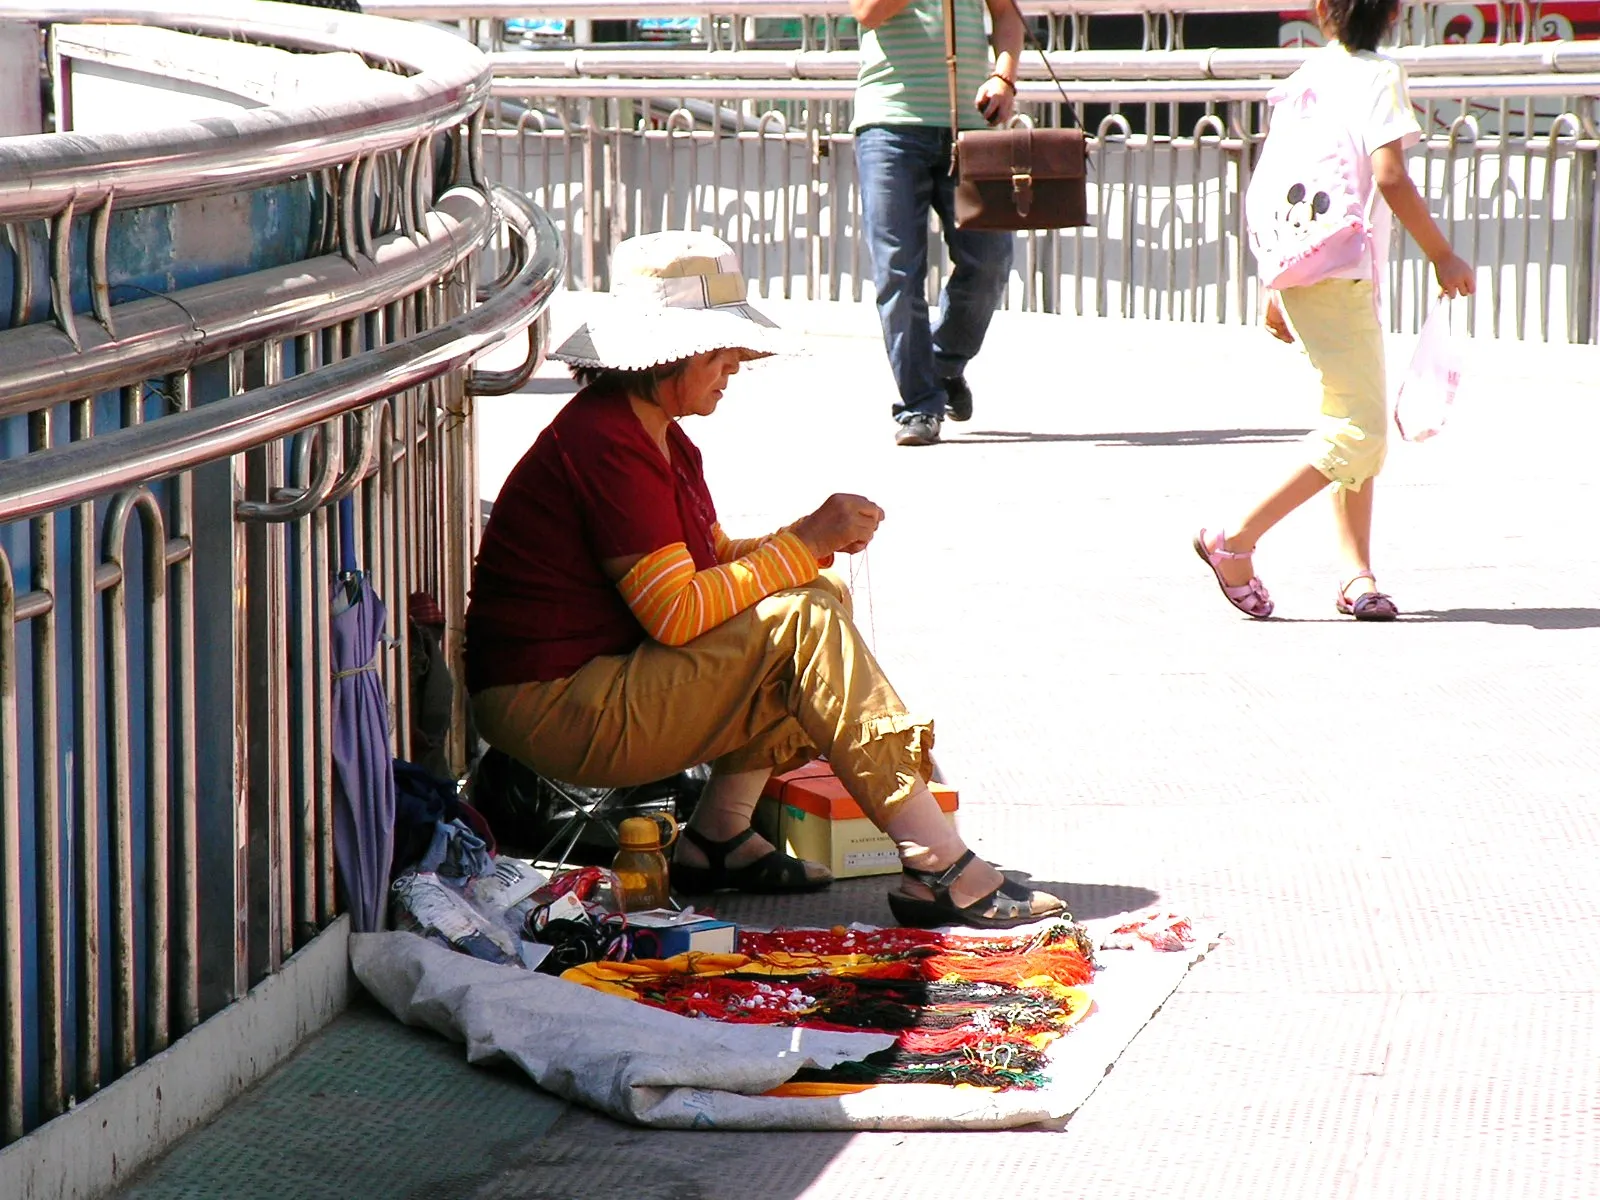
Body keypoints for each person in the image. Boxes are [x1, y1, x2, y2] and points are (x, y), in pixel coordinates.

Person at [465, 230, 1067, 929]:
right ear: (675, 355)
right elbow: (678, 615)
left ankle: (720, 835)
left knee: (816, 597)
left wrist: (808, 544)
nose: (735, 368)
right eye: (723, 355)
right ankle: (941, 865)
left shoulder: (659, 435)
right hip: (551, 706)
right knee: (802, 623)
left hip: (593, 683)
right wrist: (803, 541)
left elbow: (713, 564)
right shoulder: (608, 444)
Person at [1194, 0, 1475, 621]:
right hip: (1343, 270)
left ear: (1323, 9)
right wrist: (1444, 255)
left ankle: (1357, 575)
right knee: (1359, 432)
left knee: (1348, 417)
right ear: (1396, 13)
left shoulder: (1307, 76)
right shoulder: (1380, 76)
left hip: (1308, 265)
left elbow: (1283, 179)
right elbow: (1391, 177)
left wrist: (1276, 278)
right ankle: (1234, 540)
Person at [850, 0, 1024, 447]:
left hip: (970, 126)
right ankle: (919, 406)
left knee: (990, 260)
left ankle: (944, 363)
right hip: (890, 125)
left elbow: (1007, 16)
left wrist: (1003, 76)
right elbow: (866, 11)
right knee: (899, 270)